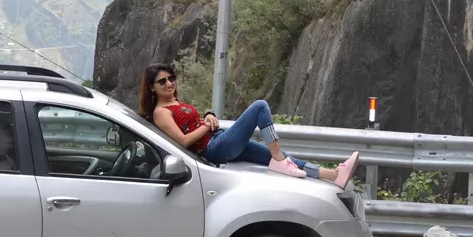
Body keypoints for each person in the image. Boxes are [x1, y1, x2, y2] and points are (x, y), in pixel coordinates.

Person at [139, 63, 359, 187]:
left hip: (218, 140)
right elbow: (184, 140)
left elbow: (192, 122)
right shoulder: (160, 112)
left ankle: (333, 175)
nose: (169, 83)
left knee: (280, 160)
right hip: (213, 148)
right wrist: (207, 125)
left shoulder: (175, 102)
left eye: (171, 78)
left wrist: (208, 115)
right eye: (162, 81)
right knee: (260, 107)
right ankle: (280, 158)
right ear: (152, 87)